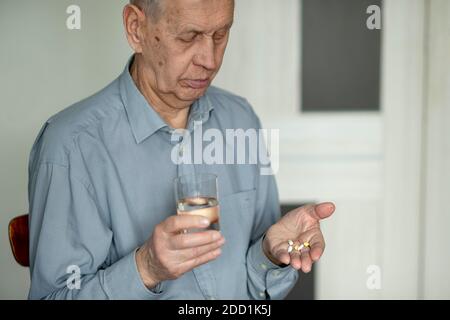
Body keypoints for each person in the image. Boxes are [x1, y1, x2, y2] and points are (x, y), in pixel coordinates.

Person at [28, 0, 335, 300]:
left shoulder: (241, 118)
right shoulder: (71, 145)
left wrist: (268, 254)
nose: (210, 60)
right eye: (189, 36)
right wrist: (146, 268)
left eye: (220, 34)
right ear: (136, 29)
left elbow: (254, 290)